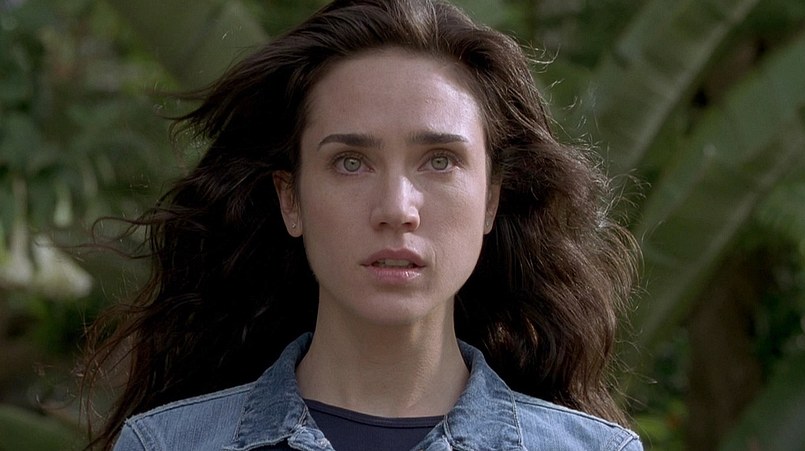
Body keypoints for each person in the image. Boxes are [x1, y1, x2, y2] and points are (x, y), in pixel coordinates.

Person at [81, 0, 642, 449]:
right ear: (291, 200)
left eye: (440, 161)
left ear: (491, 200)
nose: (397, 208)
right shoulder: (166, 444)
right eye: (351, 162)